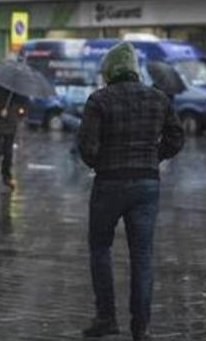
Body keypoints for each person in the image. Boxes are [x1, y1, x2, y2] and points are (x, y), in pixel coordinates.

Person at [78, 42, 184, 341]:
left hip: (109, 184)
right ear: (135, 70)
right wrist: (155, 157)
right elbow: (176, 137)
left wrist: (103, 163)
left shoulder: (99, 100)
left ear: (110, 70)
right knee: (142, 255)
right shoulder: (158, 98)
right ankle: (141, 326)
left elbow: (86, 147)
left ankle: (107, 318)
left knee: (100, 249)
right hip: (146, 185)